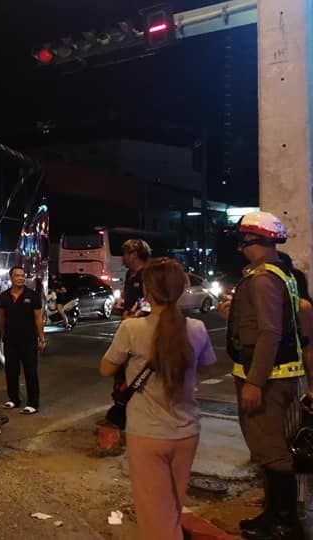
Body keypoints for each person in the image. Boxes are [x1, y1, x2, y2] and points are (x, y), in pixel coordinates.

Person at [99, 258, 217, 540]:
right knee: (172, 507)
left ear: (148, 293)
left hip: (147, 433)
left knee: (155, 516)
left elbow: (105, 369)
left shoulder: (133, 329)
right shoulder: (197, 329)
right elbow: (208, 364)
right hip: (187, 431)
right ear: (181, 289)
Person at [216, 210, 306, 540]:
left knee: (271, 449)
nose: (241, 248)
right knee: (266, 448)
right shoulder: (277, 275)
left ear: (257, 241)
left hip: (269, 379)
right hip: (273, 374)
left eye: (244, 241)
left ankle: (285, 523)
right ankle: (273, 515)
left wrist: (254, 382)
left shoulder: (265, 279)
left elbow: (269, 333)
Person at [0, 266, 46, 414]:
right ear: (11, 278)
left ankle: (33, 403)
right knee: (11, 371)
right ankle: (14, 399)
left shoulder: (32, 296)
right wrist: (2, 336)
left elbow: (38, 318)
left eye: (22, 276)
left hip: (29, 340)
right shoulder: (4, 296)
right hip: (10, 340)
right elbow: (2, 317)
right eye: (17, 275)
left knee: (30, 371)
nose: (20, 278)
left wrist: (41, 338)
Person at [121, 239, 152, 318]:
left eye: (125, 254)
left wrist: (136, 313)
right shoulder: (129, 274)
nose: (123, 257)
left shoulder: (148, 274)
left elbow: (149, 302)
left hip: (143, 322)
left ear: (134, 254)